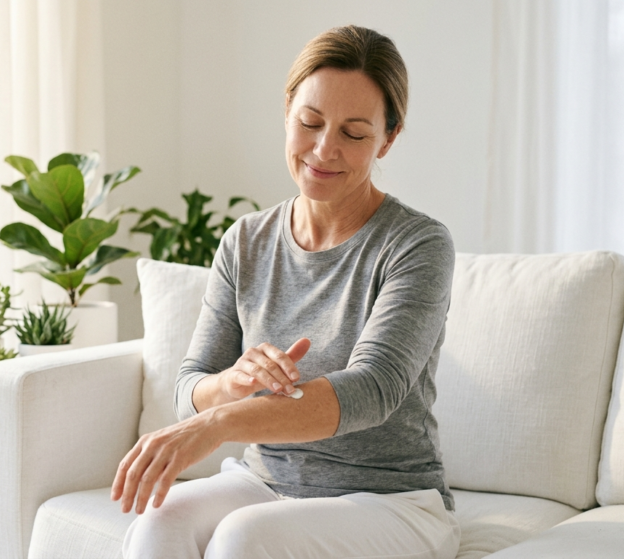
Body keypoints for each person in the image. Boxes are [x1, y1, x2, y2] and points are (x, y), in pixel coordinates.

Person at [112, 24, 460, 559]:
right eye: (310, 122)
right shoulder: (246, 241)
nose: (324, 149)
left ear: (388, 138)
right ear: (288, 112)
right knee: (159, 522)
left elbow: (373, 389)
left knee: (243, 537)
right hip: (266, 482)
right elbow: (190, 388)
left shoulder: (416, 244)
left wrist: (222, 423)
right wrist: (234, 383)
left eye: (354, 132)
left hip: (391, 501)